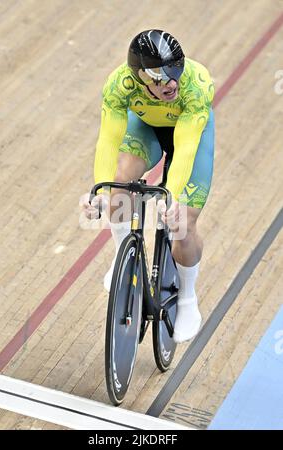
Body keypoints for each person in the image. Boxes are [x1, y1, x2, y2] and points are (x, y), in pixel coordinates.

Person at [81, 29, 215, 343]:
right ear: (140, 78)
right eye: (161, 78)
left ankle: (187, 298)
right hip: (146, 130)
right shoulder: (119, 86)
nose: (171, 83)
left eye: (174, 73)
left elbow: (184, 149)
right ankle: (122, 255)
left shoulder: (196, 85)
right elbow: (108, 141)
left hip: (190, 137)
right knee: (119, 184)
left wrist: (175, 196)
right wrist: (101, 191)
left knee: (183, 224)